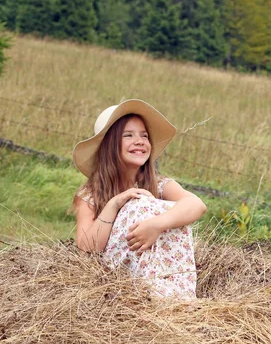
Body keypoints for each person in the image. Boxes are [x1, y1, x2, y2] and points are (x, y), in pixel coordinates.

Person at [72, 99, 207, 299]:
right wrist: (114, 204)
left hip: (159, 271)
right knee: (139, 203)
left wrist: (156, 225)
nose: (140, 141)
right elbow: (86, 248)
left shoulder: (159, 184)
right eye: (128, 135)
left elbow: (197, 205)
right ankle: (149, 293)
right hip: (116, 279)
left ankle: (177, 296)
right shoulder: (90, 195)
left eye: (144, 136)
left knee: (174, 212)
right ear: (109, 145)